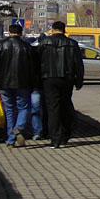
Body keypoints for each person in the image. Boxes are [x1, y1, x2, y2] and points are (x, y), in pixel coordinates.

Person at [0, 23, 40, 147]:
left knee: (9, 111)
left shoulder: (1, 45)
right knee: (23, 108)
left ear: (9, 32)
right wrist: (33, 84)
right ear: (21, 32)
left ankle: (10, 140)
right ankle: (19, 127)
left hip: (4, 84)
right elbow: (33, 68)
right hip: (22, 83)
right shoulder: (27, 47)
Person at [35, 20, 83, 148]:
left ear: (52, 29)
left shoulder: (44, 42)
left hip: (48, 79)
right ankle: (65, 136)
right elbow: (78, 64)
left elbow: (36, 62)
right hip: (67, 78)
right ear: (64, 29)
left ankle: (55, 139)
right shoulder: (72, 44)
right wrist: (79, 81)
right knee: (66, 105)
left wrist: (37, 81)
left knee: (52, 108)